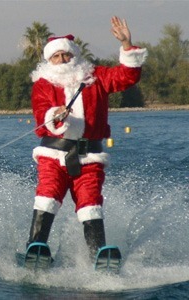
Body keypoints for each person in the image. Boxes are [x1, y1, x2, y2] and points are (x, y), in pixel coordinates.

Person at [26, 16, 147, 260]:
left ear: (75, 56)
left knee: (90, 202)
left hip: (89, 155)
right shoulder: (43, 84)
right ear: (49, 60)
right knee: (47, 196)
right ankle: (36, 246)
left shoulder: (96, 77)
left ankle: (97, 254)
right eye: (56, 56)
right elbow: (42, 113)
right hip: (54, 154)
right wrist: (56, 115)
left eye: (66, 55)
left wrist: (126, 45)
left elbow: (127, 77)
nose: (62, 60)